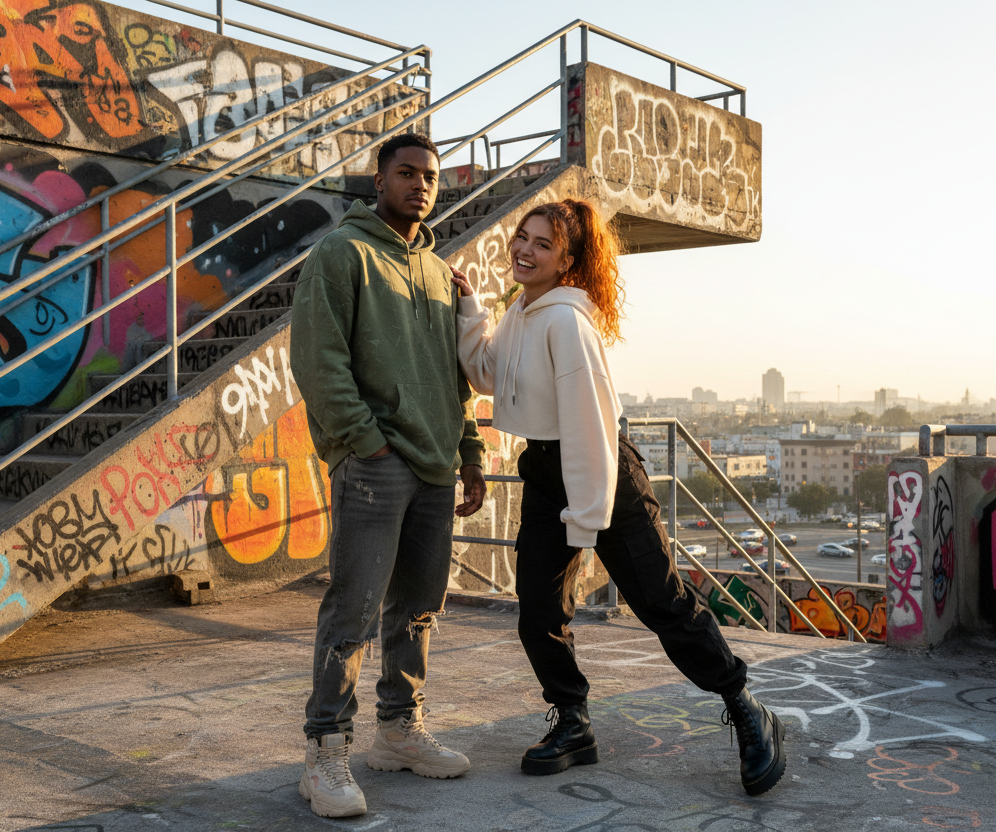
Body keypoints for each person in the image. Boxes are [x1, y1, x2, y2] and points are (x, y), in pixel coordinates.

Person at [449, 199, 786, 797]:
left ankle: (745, 706)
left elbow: (589, 428)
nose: (524, 250)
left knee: (663, 604)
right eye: (521, 238)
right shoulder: (522, 313)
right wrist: (471, 306)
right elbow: (485, 374)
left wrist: (584, 521)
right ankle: (573, 721)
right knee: (537, 610)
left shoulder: (566, 321)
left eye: (542, 244)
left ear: (568, 260)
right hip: (549, 473)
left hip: (605, 476)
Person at [290, 133, 487, 818]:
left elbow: (455, 376)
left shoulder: (438, 270)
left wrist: (469, 455)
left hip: (435, 466)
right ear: (378, 181)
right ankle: (324, 750)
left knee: (419, 610)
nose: (421, 185)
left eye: (430, 176)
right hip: (375, 465)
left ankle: (398, 732)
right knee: (353, 612)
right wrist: (366, 444)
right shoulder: (339, 255)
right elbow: (318, 361)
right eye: (406, 173)